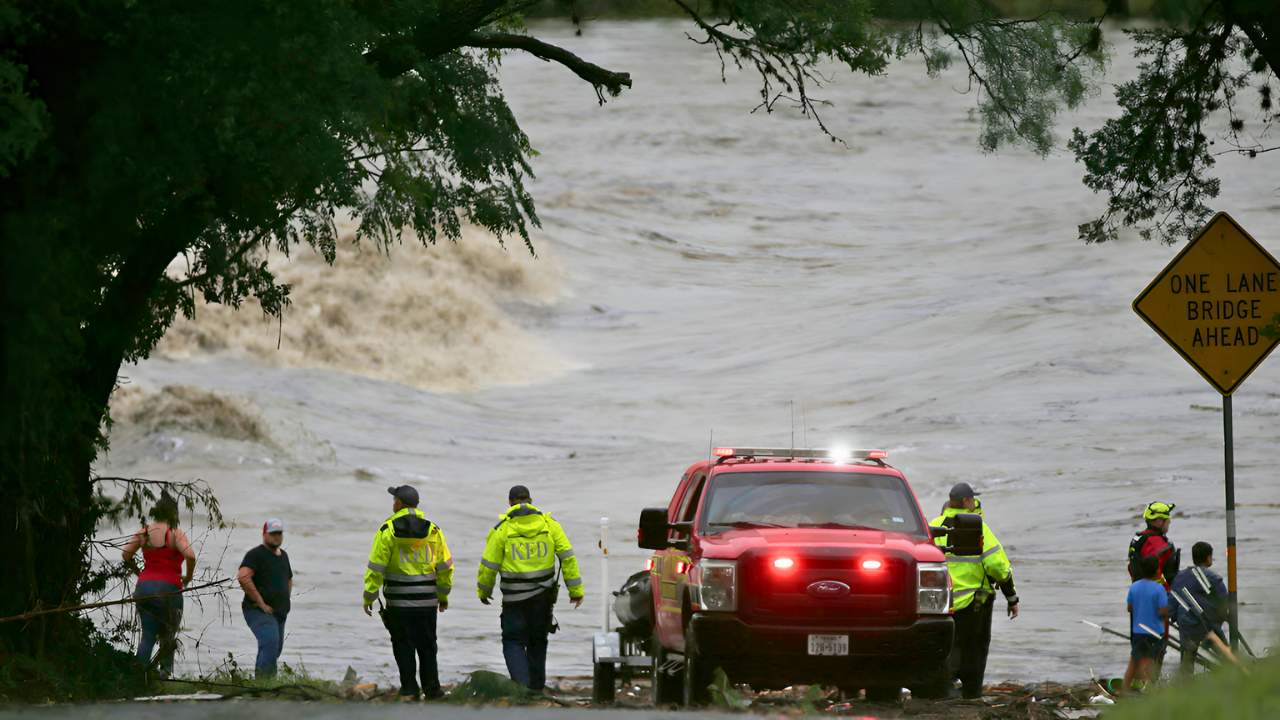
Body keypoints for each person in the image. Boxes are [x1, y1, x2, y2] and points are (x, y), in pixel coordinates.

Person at [477, 485, 584, 692]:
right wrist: (576, 591)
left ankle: (522, 687)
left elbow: (488, 566)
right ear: (531, 501)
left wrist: (484, 592)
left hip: (514, 599)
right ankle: (536, 689)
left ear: (510, 503)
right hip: (542, 598)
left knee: (513, 640)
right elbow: (567, 558)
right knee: (538, 641)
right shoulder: (550, 525)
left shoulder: (502, 530)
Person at [929, 483, 1018, 699]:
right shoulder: (978, 528)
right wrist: (1011, 596)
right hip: (973, 605)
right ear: (967, 501)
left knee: (942, 650)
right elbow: (997, 566)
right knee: (975, 651)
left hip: (938, 604)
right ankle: (971, 696)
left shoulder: (932, 526)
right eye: (973, 499)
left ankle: (939, 694)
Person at [363, 486, 453, 700]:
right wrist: (443, 596)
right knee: (428, 646)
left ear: (399, 503)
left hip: (398, 601)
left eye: (394, 500)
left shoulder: (387, 530)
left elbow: (376, 567)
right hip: (427, 601)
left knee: (403, 645)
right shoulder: (433, 530)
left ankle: (409, 690)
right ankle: (432, 690)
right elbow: (446, 567)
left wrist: (370, 595)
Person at [121, 491, 196, 678]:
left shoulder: (144, 532)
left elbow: (126, 554)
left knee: (148, 635)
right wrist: (188, 577)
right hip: (169, 589)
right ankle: (164, 675)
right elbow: (190, 556)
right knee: (167, 636)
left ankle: (139, 676)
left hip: (144, 587)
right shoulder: (175, 533)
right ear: (173, 513)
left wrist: (139, 571)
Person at [1126, 501, 1179, 668]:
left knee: (1138, 644)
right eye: (1167, 518)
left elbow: (1132, 567)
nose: (1169, 521)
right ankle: (1151, 680)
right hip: (1156, 602)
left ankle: (1138, 678)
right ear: (1158, 521)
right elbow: (1158, 573)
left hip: (1138, 598)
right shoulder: (1158, 544)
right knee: (1157, 644)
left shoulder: (1139, 538)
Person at [239, 518, 293, 678]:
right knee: (270, 642)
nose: (277, 537)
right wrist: (261, 603)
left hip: (279, 612)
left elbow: (288, 578)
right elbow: (243, 577)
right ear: (264, 534)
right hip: (257, 610)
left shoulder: (283, 556)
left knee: (275, 649)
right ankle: (263, 685)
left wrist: (285, 601)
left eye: (279, 533)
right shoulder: (255, 555)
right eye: (273, 533)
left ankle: (269, 683)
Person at [1169, 541, 1227, 678]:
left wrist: (1176, 618)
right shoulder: (1214, 578)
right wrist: (1220, 621)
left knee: (1187, 659)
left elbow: (1172, 602)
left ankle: (1185, 683)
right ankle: (1231, 676)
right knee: (1225, 653)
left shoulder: (1179, 577)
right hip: (1208, 625)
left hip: (1187, 623)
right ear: (1209, 557)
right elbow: (1224, 603)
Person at [1123, 555, 1168, 693]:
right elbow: (1163, 612)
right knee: (1152, 660)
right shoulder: (1159, 589)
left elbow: (1130, 608)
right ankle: (1147, 688)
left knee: (1134, 661)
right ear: (1157, 570)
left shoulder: (1134, 587)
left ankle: (1125, 689)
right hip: (1155, 632)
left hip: (1138, 631)